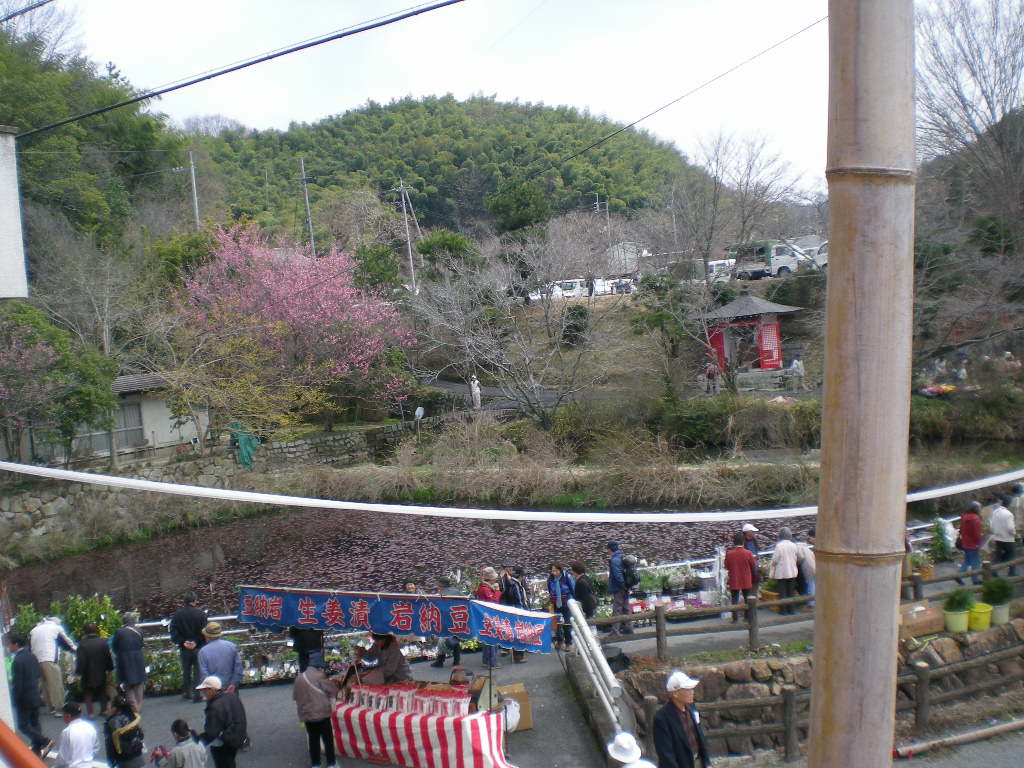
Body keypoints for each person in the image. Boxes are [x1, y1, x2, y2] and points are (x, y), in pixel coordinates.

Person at [652, 670, 713, 768]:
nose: (692, 692)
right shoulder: (662, 718)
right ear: (675, 693)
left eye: (691, 689)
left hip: (698, 762)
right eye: (687, 689)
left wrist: (707, 762)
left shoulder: (691, 708)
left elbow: (700, 736)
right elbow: (666, 754)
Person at [292, 651, 340, 768]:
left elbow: (295, 697)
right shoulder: (319, 676)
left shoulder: (299, 678)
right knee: (327, 739)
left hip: (307, 715)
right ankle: (331, 763)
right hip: (322, 713)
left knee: (313, 740)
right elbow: (333, 690)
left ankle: (316, 764)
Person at [6, 630, 49, 756]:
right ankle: (37, 749)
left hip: (24, 697)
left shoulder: (17, 660)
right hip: (34, 693)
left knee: (23, 725)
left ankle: (44, 741)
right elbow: (37, 674)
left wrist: (14, 699)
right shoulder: (31, 656)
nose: (8, 647)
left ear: (16, 644)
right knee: (35, 723)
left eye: (9, 644)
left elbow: (17, 683)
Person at [30, 615, 76, 716]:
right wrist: (76, 649)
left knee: (45, 685)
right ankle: (59, 708)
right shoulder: (56, 627)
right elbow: (67, 641)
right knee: (55, 684)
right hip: (49, 659)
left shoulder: (34, 630)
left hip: (36, 660)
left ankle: (51, 708)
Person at [197, 675, 248, 768]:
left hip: (224, 742)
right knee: (230, 761)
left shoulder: (214, 707)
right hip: (237, 737)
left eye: (204, 689)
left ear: (212, 690)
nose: (203, 692)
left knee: (223, 763)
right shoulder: (232, 696)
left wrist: (198, 741)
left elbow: (211, 732)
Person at [169, 591, 207, 701]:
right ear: (194, 601)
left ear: (184, 601)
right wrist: (196, 642)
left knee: (186, 670)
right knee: (198, 670)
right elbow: (205, 631)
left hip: (184, 648)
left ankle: (187, 692)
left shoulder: (177, 615)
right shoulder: (201, 614)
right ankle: (197, 693)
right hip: (198, 647)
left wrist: (183, 642)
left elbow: (173, 632)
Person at [75, 622, 113, 719]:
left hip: (87, 672)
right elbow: (108, 657)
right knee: (102, 691)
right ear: (96, 630)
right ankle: (104, 710)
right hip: (101, 670)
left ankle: (90, 713)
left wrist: (78, 673)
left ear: (85, 631)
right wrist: (109, 669)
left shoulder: (82, 644)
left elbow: (81, 660)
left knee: (88, 693)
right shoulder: (103, 642)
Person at [112, 612, 146, 713]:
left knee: (128, 684)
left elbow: (115, 646)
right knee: (139, 683)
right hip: (138, 657)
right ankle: (139, 705)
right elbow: (141, 644)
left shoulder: (119, 632)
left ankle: (133, 706)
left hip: (124, 658)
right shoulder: (140, 631)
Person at [198, 621, 244, 694]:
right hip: (231, 688)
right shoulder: (232, 646)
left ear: (206, 636)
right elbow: (238, 668)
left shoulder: (203, 651)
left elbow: (204, 673)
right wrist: (233, 684)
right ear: (219, 635)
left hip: (214, 691)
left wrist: (210, 689)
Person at [499, 561, 530, 664]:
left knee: (513, 632)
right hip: (517, 611)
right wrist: (523, 611)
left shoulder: (510, 581)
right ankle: (518, 656)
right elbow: (518, 599)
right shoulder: (514, 584)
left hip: (511, 609)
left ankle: (512, 651)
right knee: (518, 633)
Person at [104, 694, 145, 768]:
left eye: (109, 706)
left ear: (114, 708)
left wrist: (111, 761)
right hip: (139, 757)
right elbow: (141, 735)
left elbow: (110, 744)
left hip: (124, 761)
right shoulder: (132, 716)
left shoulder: (111, 722)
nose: (107, 709)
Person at [724, 533, 758, 623]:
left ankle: (735, 619)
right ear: (743, 542)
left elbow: (726, 566)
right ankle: (747, 617)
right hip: (746, 579)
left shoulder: (729, 554)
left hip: (734, 579)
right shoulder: (748, 553)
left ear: (734, 543)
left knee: (734, 599)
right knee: (747, 598)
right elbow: (753, 565)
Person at [52, 702, 99, 768]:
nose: (63, 716)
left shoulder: (67, 731)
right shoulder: (90, 727)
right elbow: (96, 749)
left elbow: (62, 758)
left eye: (64, 714)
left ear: (68, 716)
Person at [431, 573, 463, 668]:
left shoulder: (442, 594)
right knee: (455, 639)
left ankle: (440, 661)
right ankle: (456, 661)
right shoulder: (456, 591)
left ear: (441, 585)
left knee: (443, 638)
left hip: (445, 619)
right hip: (457, 618)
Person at [475, 566, 504, 668]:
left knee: (487, 639)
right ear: (490, 578)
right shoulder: (485, 589)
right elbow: (493, 602)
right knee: (492, 639)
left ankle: (486, 660)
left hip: (484, 616)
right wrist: (498, 591)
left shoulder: (482, 587)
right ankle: (492, 662)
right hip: (489, 616)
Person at [770, 528, 799, 615]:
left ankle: (783, 610)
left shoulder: (779, 546)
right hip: (792, 571)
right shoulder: (794, 545)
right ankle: (792, 610)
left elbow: (775, 560)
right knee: (791, 591)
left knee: (782, 592)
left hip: (782, 572)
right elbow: (797, 557)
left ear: (781, 535)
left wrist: (772, 566)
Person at [547, 562, 576, 652]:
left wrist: (573, 601)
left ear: (560, 570)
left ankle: (568, 643)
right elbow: (550, 590)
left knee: (567, 623)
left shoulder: (567, 577)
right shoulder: (550, 579)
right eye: (552, 571)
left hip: (566, 602)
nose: (554, 573)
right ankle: (559, 640)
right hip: (555, 603)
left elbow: (572, 589)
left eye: (556, 571)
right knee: (557, 623)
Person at [955, 501, 984, 586]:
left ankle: (959, 575)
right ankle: (975, 580)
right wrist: (979, 543)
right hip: (973, 544)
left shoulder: (964, 516)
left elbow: (961, 530)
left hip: (965, 542)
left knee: (967, 561)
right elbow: (976, 533)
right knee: (975, 562)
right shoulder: (975, 518)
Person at [607, 541, 632, 635]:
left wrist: (622, 585)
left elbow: (618, 575)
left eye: (608, 548)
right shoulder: (622, 557)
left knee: (617, 608)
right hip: (626, 586)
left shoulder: (614, 560)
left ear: (610, 549)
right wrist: (626, 586)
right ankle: (628, 628)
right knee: (626, 607)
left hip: (619, 587)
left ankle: (615, 630)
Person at [990, 494, 1018, 577]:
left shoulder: (995, 512)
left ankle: (993, 570)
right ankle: (1012, 572)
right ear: (1009, 504)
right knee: (1011, 555)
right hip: (1008, 538)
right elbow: (1010, 528)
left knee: (998, 556)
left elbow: (992, 526)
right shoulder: (1009, 514)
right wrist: (1014, 534)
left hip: (997, 538)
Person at [795, 532, 816, 609]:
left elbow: (801, 557)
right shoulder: (806, 547)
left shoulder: (798, 547)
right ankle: (812, 602)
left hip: (807, 567)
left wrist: (797, 562)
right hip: (813, 566)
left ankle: (811, 604)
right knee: (813, 584)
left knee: (810, 585)